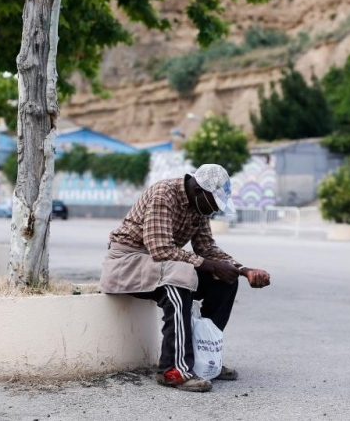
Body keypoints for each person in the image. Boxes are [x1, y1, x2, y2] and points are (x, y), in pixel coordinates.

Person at [100, 164, 271, 393]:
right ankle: (174, 371)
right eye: (214, 203)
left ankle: (205, 362)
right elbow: (160, 249)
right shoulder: (164, 195)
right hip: (127, 262)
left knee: (224, 281)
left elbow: (207, 248)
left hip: (159, 263)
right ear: (199, 190)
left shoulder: (199, 206)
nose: (214, 210)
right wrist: (210, 265)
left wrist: (243, 270)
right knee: (179, 277)